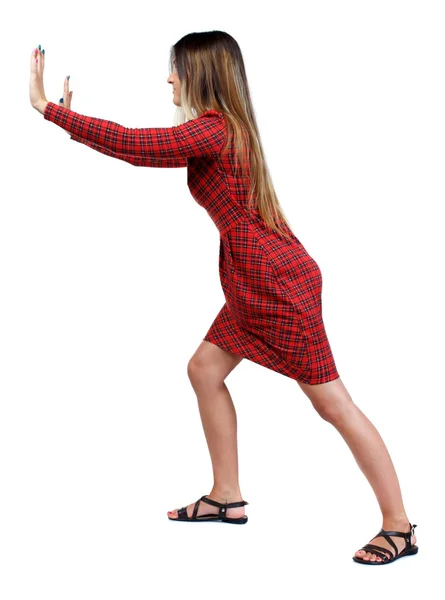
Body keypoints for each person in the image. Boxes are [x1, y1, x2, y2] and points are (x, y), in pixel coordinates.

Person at [29, 32, 418, 565]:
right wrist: (71, 123)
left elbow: (137, 147)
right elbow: (139, 146)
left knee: (333, 404)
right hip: (252, 280)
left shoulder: (215, 130)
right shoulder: (222, 129)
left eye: (175, 70)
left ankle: (400, 527)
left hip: (275, 283)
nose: (169, 79)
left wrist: (50, 111)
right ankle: (226, 496)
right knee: (204, 369)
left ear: (201, 74)